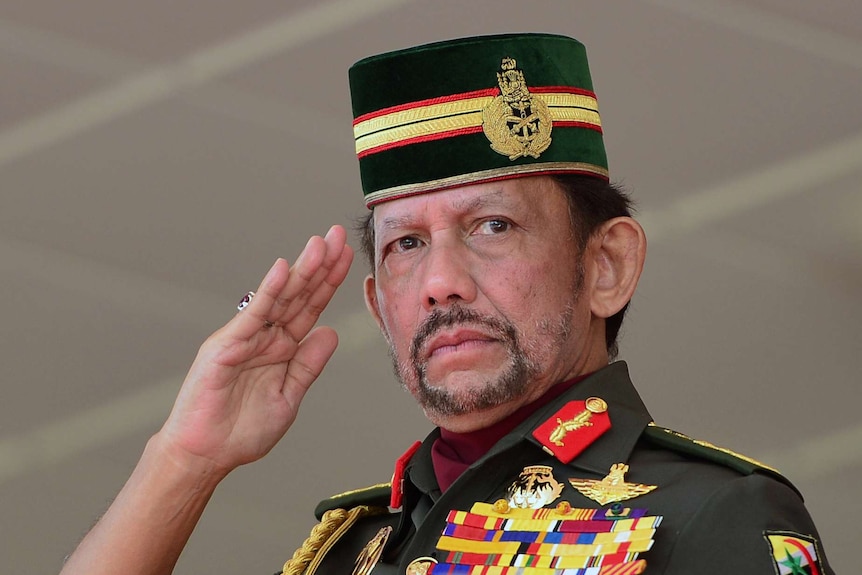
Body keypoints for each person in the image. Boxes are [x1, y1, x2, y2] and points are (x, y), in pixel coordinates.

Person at [59, 33, 832, 575]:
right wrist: (184, 463)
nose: (440, 281)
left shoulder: (709, 512)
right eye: (405, 245)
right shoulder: (346, 549)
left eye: (492, 225)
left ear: (607, 265)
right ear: (379, 308)